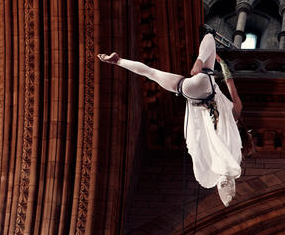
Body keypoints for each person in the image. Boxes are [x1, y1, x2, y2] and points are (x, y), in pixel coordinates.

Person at [99, 33, 245, 205]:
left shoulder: (235, 114)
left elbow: (230, 83)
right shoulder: (226, 137)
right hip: (192, 94)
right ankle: (118, 61)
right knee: (151, 73)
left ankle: (199, 59)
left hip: (206, 86)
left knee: (209, 38)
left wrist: (221, 63)